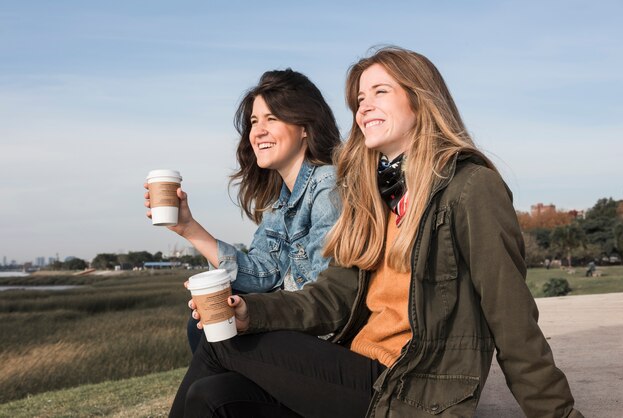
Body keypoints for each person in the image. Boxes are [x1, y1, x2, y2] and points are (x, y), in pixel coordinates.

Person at [169, 47, 584, 418]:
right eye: (359, 100)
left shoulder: (471, 187)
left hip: (412, 389)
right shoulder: (373, 196)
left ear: (421, 101)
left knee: (215, 341)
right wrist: (249, 313)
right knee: (211, 394)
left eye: (380, 92)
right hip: (356, 365)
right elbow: (332, 298)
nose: (363, 107)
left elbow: (511, 318)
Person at [145, 69, 342, 352]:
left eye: (271, 119)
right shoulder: (281, 201)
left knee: (217, 330)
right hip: (298, 327)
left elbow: (326, 298)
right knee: (206, 320)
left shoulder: (327, 185)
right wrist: (188, 228)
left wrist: (252, 311)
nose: (258, 131)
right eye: (253, 121)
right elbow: (263, 274)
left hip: (323, 338)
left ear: (305, 128)